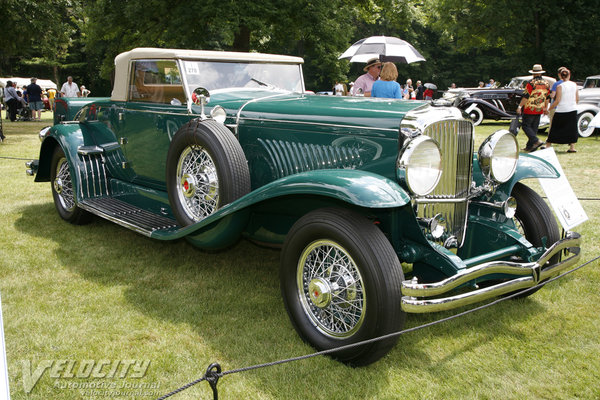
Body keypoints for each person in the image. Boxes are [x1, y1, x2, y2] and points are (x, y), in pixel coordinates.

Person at [516, 64, 550, 152]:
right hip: (539, 108)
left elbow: (526, 96)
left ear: (533, 73)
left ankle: (536, 141)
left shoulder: (531, 83)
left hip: (529, 108)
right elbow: (547, 97)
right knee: (534, 128)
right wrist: (546, 108)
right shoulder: (546, 83)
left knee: (525, 126)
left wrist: (520, 106)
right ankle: (530, 146)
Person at [545, 68, 579, 153]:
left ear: (561, 76)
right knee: (572, 128)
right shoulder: (574, 84)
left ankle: (548, 145)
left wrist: (549, 108)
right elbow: (577, 98)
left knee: (555, 128)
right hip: (572, 109)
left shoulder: (560, 86)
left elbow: (557, 100)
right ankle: (572, 147)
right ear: (569, 75)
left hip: (562, 110)